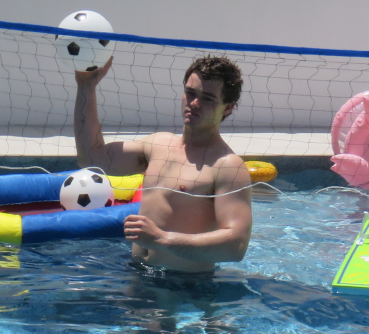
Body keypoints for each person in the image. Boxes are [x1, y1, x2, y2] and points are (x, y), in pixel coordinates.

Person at [74, 54, 253, 276]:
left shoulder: (227, 166)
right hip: (138, 274)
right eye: (190, 93)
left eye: (207, 98)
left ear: (227, 108)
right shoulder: (158, 145)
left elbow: (236, 246)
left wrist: (162, 239)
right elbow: (91, 158)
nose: (194, 103)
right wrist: (86, 86)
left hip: (185, 289)